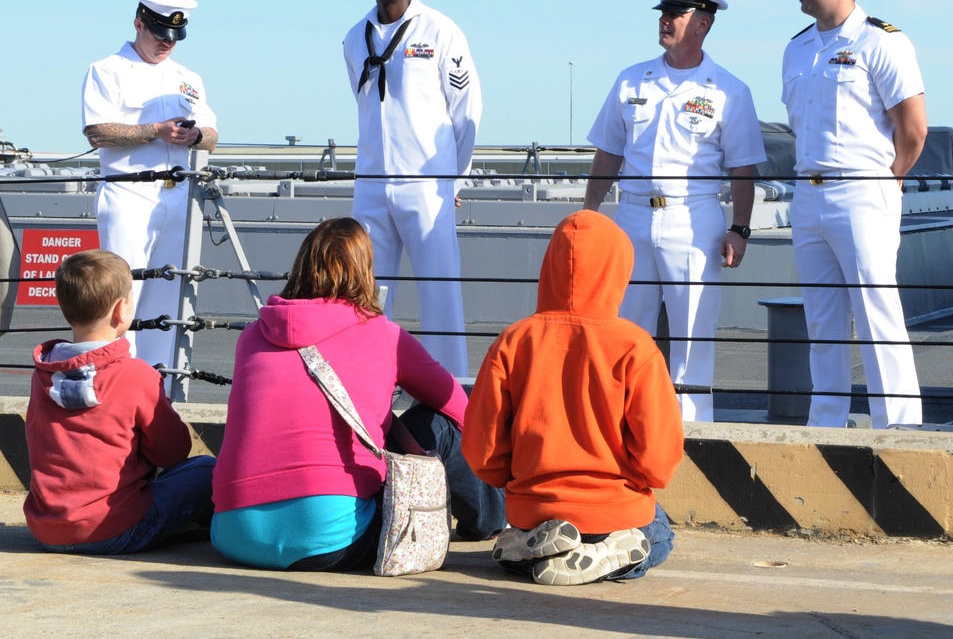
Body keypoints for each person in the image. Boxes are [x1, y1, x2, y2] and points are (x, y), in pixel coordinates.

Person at [210, 218, 504, 572]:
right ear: (365, 272)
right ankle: (491, 521)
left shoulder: (253, 335)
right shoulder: (385, 335)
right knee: (437, 424)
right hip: (334, 542)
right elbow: (461, 410)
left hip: (234, 538)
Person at [462, 211, 684, 586]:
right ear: (618, 270)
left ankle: (525, 546)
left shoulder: (513, 341)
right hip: (612, 512)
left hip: (532, 509)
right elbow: (658, 461)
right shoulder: (636, 347)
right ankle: (604, 553)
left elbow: (481, 449)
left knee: (535, 530)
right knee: (661, 535)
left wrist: (516, 485)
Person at [583, 0, 767, 421]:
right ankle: (623, 425)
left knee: (692, 339)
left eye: (675, 13)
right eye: (663, 12)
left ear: (702, 24)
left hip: (692, 221)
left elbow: (744, 167)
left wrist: (740, 229)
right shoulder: (631, 81)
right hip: (631, 219)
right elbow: (607, 153)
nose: (665, 20)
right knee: (625, 333)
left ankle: (693, 432)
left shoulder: (728, 90)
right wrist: (587, 218)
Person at [781, 0, 926, 428]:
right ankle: (826, 426)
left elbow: (913, 128)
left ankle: (900, 429)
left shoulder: (882, 41)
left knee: (876, 312)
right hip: (808, 193)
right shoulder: (797, 48)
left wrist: (891, 180)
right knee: (821, 319)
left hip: (864, 190)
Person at [344, 0, 480, 378]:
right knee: (366, 296)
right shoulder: (353, 38)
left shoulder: (440, 31)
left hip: (426, 186)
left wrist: (452, 181)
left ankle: (451, 397)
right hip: (371, 185)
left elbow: (466, 111)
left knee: (441, 296)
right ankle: (370, 385)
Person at [23, 250, 215, 554]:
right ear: (120, 310)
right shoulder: (136, 375)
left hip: (47, 530)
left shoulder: (43, 375)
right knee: (207, 470)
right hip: (113, 529)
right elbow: (173, 452)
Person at [82, 0, 218, 373]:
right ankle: (113, 382)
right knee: (121, 296)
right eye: (159, 32)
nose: (166, 43)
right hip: (130, 194)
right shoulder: (107, 69)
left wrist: (195, 137)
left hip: (177, 198)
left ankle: (158, 390)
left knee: (169, 299)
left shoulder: (186, 78)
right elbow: (97, 132)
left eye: (174, 36)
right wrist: (154, 131)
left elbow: (212, 135)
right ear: (139, 23)